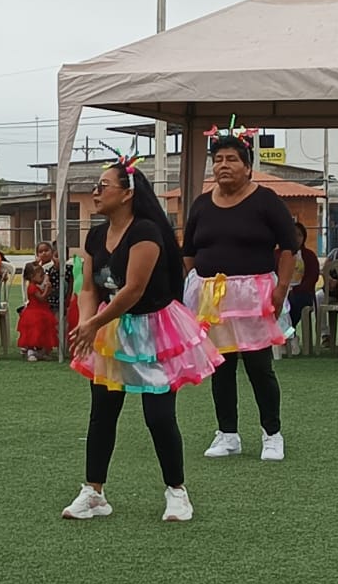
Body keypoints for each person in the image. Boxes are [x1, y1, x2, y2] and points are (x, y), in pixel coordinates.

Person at [64, 153, 221, 522]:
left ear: (127, 193)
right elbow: (88, 287)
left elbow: (133, 290)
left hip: (154, 329)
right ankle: (94, 492)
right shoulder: (96, 235)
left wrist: (94, 323)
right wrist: (86, 324)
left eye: (103, 186)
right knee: (102, 412)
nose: (95, 192)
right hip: (112, 328)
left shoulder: (146, 232)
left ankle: (177, 492)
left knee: (159, 415)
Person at [182, 125, 297, 462]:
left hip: (253, 294)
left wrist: (281, 289)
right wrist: (192, 285)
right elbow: (188, 250)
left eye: (231, 159)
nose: (224, 165)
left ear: (247, 166)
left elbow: (289, 247)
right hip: (212, 297)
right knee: (221, 366)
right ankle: (227, 434)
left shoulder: (266, 201)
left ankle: (272, 434)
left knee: (259, 366)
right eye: (218, 159)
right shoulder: (202, 204)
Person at [16, 263, 57, 361]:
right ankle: (31, 350)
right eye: (41, 276)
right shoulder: (32, 287)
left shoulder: (36, 286)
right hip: (34, 312)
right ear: (32, 276)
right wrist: (47, 290)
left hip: (42, 311)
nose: (43, 278)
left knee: (43, 330)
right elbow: (41, 298)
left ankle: (42, 351)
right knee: (34, 332)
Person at [285, 223, 320, 335]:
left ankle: (289, 332)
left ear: (304, 238)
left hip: (301, 293)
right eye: (293, 234)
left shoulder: (309, 256)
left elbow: (312, 278)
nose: (296, 238)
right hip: (282, 292)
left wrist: (295, 290)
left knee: (295, 301)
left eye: (299, 235)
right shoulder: (278, 254)